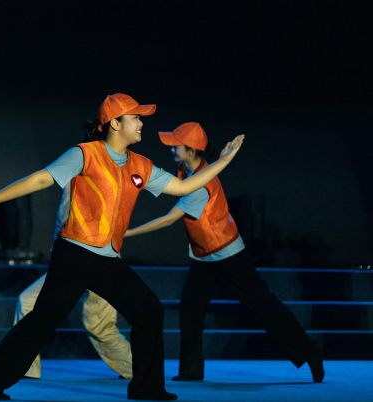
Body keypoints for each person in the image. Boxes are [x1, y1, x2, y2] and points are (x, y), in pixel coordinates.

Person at [0, 94, 245, 401]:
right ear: (115, 123)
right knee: (42, 320)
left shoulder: (140, 164)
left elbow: (182, 187)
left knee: (149, 311)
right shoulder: (84, 154)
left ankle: (147, 389)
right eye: (135, 118)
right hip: (75, 253)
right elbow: (40, 180)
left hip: (107, 258)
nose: (141, 123)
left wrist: (222, 161)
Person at [124, 122, 324, 383]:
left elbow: (168, 219)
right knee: (191, 308)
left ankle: (310, 352)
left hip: (227, 253)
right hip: (203, 255)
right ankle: (191, 371)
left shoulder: (201, 185)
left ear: (191, 150)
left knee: (262, 305)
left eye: (176, 145)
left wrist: (126, 233)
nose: (171, 148)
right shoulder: (184, 168)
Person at [14, 133, 133, 381]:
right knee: (28, 303)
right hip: (75, 258)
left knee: (99, 324)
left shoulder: (99, 174)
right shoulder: (75, 170)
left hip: (96, 257)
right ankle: (24, 367)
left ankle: (137, 370)